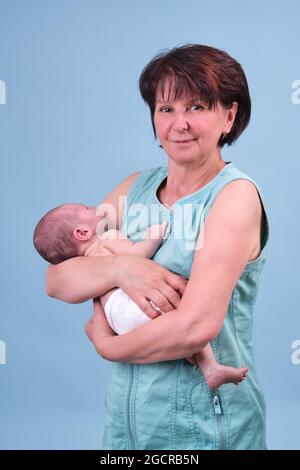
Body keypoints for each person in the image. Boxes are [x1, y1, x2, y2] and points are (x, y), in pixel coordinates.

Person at [45, 44, 270, 450]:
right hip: (128, 429)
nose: (179, 124)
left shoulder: (233, 197)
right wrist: (120, 270)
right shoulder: (134, 189)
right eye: (166, 109)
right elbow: (58, 277)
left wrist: (108, 346)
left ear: (229, 116)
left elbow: (195, 327)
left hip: (205, 428)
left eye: (197, 107)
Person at [33, 202, 248, 388]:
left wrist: (103, 341)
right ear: (82, 233)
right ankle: (209, 366)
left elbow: (60, 281)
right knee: (186, 299)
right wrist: (155, 235)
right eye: (86, 208)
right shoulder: (108, 237)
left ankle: (192, 355)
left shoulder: (84, 265)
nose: (96, 207)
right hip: (135, 305)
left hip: (116, 321)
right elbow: (136, 254)